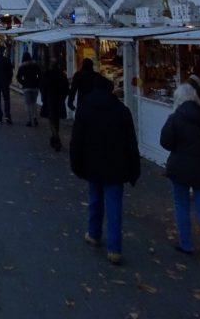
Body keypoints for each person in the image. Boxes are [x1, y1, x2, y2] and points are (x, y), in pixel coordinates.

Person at [69, 75, 141, 265]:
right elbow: (131, 143)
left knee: (95, 198)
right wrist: (134, 168)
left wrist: (75, 163)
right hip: (116, 165)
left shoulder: (85, 109)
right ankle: (114, 249)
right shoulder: (122, 111)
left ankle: (94, 233)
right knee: (114, 205)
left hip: (93, 163)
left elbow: (77, 139)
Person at [161, 82, 200, 266]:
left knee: (181, 205)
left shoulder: (174, 118)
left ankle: (186, 244)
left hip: (179, 168)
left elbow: (165, 142)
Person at [41, 56, 69, 151]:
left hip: (50, 99)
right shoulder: (62, 75)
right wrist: (63, 97)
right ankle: (54, 137)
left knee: (51, 119)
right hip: (59, 100)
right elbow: (66, 88)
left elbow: (43, 87)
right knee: (56, 119)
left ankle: (56, 139)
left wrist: (43, 98)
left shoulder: (48, 74)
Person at [16, 52, 42, 127]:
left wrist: (23, 82)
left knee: (28, 104)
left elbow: (18, 77)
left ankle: (29, 120)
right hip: (35, 87)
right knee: (34, 103)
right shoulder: (35, 65)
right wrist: (37, 82)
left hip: (26, 87)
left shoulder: (22, 67)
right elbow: (40, 75)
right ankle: (35, 118)